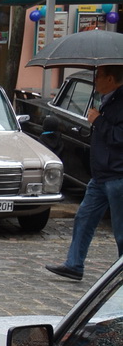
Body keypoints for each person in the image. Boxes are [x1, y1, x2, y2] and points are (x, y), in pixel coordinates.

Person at [46, 61, 123, 282]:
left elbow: (119, 137)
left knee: (120, 230)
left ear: (110, 79)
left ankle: (121, 273)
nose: (95, 79)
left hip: (118, 176)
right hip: (100, 176)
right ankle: (74, 264)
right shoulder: (107, 100)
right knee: (84, 218)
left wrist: (99, 120)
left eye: (99, 75)